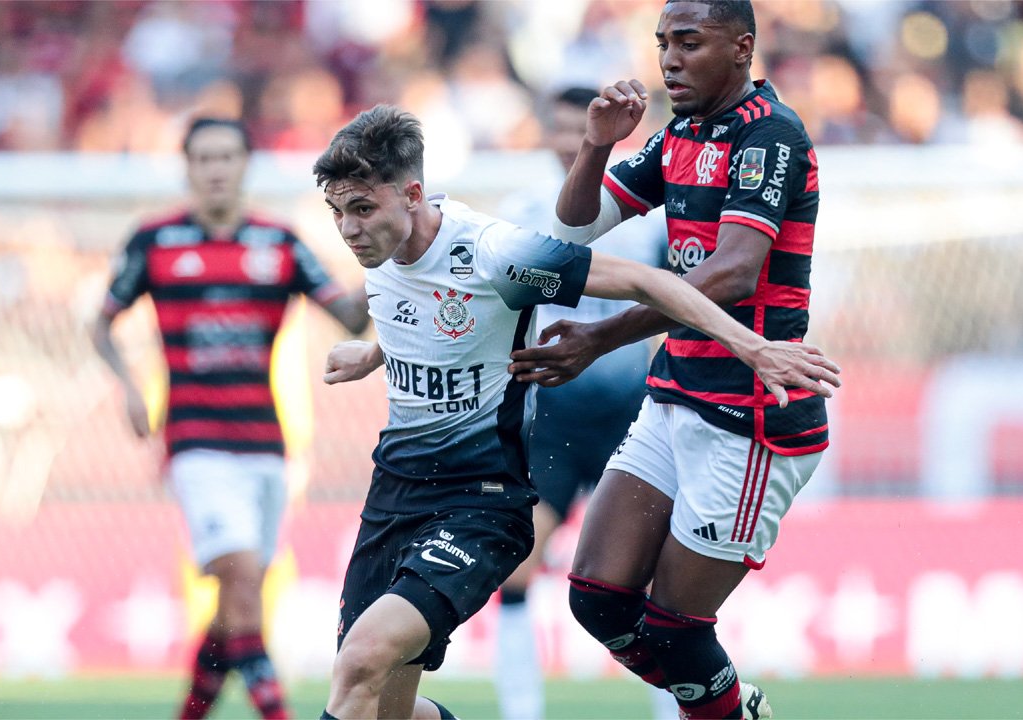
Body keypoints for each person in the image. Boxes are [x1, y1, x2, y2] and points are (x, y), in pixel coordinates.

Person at [313, 104, 839, 720]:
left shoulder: (494, 252)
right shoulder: (384, 253)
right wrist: (375, 354)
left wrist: (754, 349)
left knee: (359, 665)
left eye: (362, 210)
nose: (348, 230)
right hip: (393, 497)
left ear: (411, 194)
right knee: (383, 708)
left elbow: (648, 282)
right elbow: (436, 313)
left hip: (476, 501)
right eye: (338, 212)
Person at [508, 2, 827, 718]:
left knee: (676, 630)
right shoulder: (682, 132)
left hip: (751, 418)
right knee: (596, 597)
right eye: (662, 44)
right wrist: (595, 147)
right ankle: (734, 708)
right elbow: (577, 225)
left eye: (689, 42)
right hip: (676, 394)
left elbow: (734, 271)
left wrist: (600, 336)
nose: (670, 59)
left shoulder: (769, 135)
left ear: (741, 47)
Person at [91, 117, 369, 720]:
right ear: (188, 168)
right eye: (205, 158)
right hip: (196, 441)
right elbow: (101, 321)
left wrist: (393, 261)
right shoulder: (155, 241)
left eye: (227, 157)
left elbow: (347, 318)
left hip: (267, 444)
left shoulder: (279, 243)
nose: (216, 168)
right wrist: (130, 386)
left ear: (246, 165)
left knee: (235, 605)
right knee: (242, 582)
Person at [490, 86, 677, 720]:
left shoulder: (647, 218)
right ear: (547, 134)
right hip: (552, 416)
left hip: (632, 411)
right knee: (516, 568)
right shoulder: (520, 214)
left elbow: (678, 305)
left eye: (583, 130)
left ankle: (668, 708)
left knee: (648, 575)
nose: (573, 141)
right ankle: (523, 710)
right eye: (563, 128)